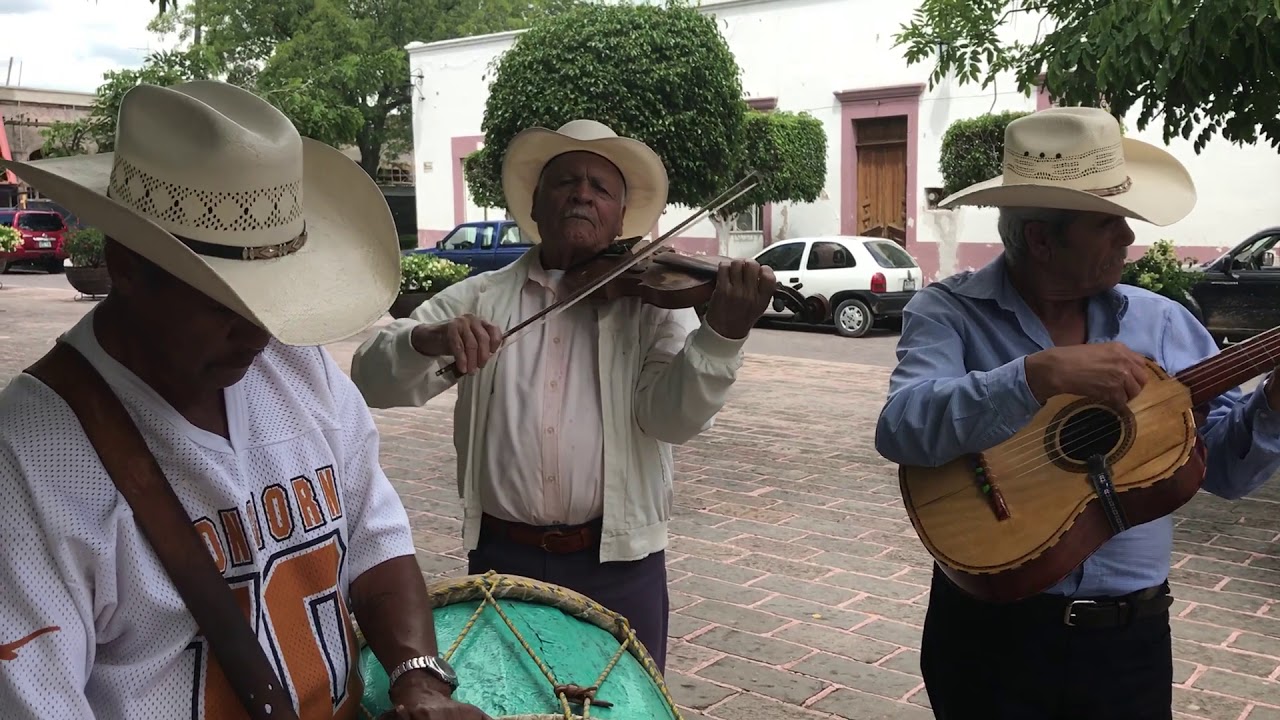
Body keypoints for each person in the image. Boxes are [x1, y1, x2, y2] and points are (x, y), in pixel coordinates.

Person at [0, 81, 487, 720]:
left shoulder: (298, 367)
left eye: (274, 296)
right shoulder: (30, 461)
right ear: (125, 264)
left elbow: (374, 539)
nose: (259, 330)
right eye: (223, 298)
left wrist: (417, 677)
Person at [874, 107, 1280, 720]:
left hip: (1128, 643)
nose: (1128, 238)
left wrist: (1272, 405)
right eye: (1109, 222)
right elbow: (901, 426)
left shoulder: (1162, 321)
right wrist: (1035, 377)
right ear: (1042, 238)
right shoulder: (947, 312)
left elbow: (1223, 470)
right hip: (988, 636)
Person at [349, 119, 777, 673]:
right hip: (502, 557)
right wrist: (424, 339)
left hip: (620, 564)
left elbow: (672, 420)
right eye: (566, 181)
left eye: (601, 188)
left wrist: (722, 335)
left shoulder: (650, 307)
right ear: (536, 202)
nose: (582, 193)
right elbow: (368, 376)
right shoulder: (480, 297)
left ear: (622, 217)